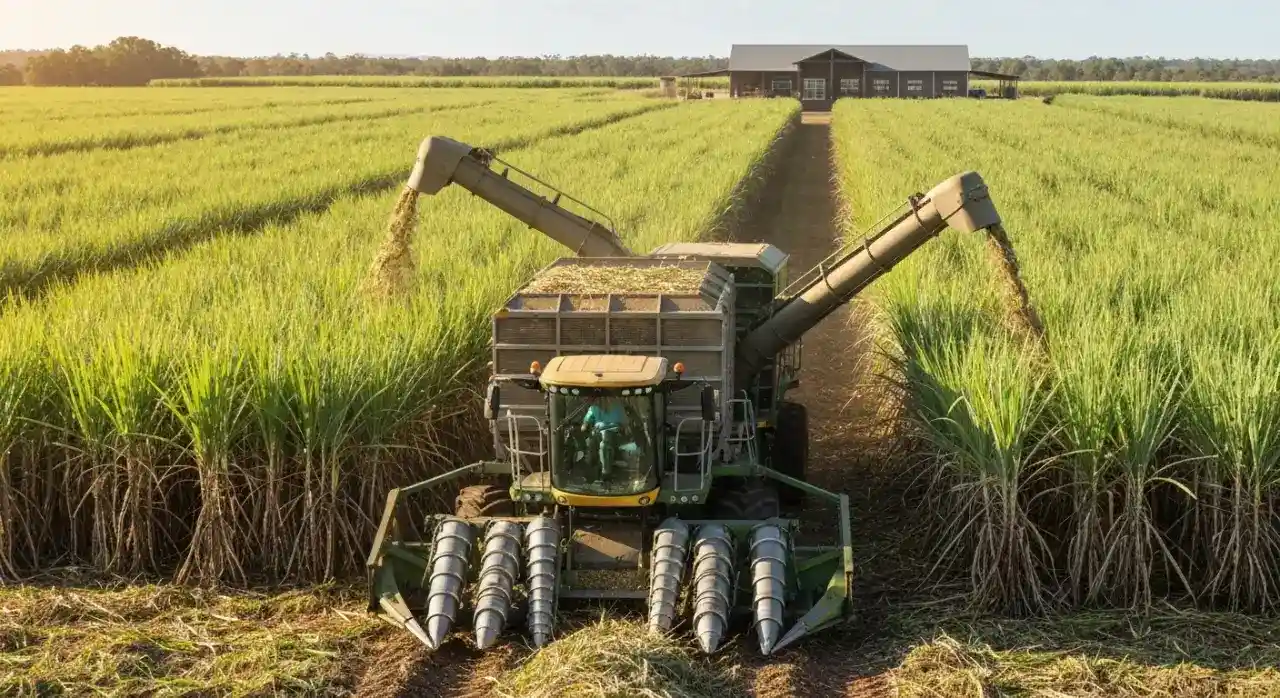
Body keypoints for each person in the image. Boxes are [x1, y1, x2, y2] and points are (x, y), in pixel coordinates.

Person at [581, 398, 626, 477]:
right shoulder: (594, 408)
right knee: (590, 442)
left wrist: (621, 427)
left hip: (614, 433)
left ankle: (606, 473)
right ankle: (591, 469)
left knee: (604, 444)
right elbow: (587, 420)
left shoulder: (618, 407)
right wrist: (585, 424)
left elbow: (624, 423)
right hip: (598, 432)